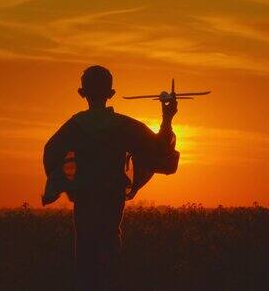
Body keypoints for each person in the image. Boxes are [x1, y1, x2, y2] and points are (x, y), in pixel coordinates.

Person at [42, 65, 179, 290]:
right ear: (111, 93)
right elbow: (159, 148)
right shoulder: (124, 126)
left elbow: (51, 154)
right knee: (110, 260)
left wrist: (67, 183)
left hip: (84, 200)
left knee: (85, 260)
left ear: (82, 92)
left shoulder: (73, 128)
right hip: (111, 200)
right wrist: (167, 117)